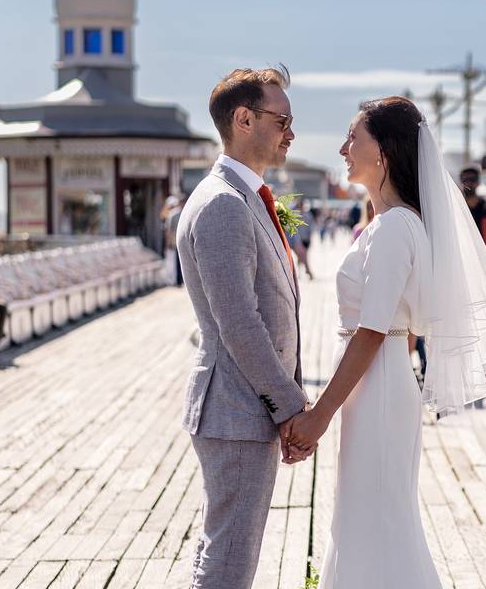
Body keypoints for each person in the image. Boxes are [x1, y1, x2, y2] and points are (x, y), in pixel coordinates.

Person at [282, 97, 486, 588]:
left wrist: (319, 415)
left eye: (354, 137)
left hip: (379, 387)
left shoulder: (393, 228)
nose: (343, 148)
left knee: (375, 523)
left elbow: (373, 330)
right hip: (377, 385)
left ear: (384, 153)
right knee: (371, 519)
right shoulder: (394, 224)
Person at [176, 65, 313, 589]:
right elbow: (239, 324)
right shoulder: (224, 205)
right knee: (229, 561)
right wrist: (290, 404)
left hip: (239, 406)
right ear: (244, 119)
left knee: (224, 550)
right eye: (282, 120)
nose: (291, 134)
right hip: (236, 408)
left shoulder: (240, 198)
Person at [162, 195, 184, 286]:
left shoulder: (171, 214)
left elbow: (168, 230)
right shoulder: (183, 213)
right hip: (182, 241)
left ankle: (175, 280)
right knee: (181, 261)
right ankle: (180, 280)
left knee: (174, 262)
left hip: (173, 241)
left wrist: (167, 243)